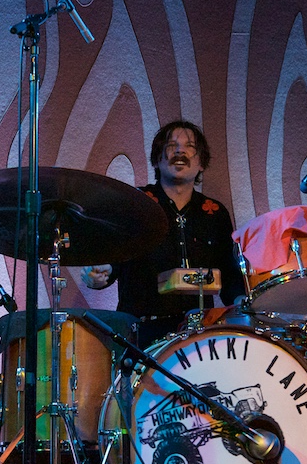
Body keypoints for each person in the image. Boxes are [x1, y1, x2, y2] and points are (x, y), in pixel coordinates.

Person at [81, 120, 245, 347]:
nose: (180, 151)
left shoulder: (215, 213)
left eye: (190, 146)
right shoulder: (136, 203)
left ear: (201, 164)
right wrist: (100, 273)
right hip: (141, 333)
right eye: (171, 145)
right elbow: (113, 259)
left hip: (198, 336)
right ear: (158, 159)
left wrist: (244, 301)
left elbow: (229, 274)